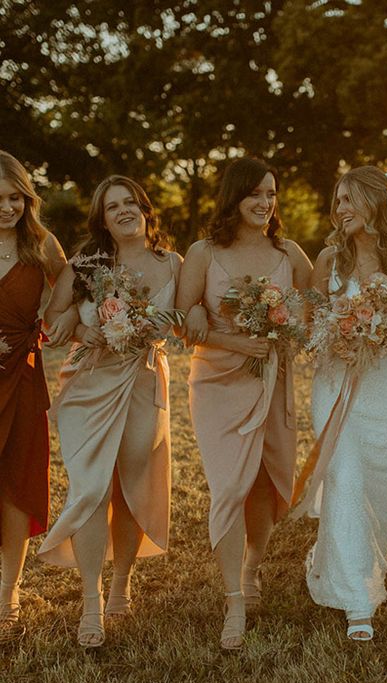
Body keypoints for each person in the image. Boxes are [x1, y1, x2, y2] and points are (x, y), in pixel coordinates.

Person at [39, 176, 181, 647]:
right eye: (111, 207)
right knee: (92, 487)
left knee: (129, 484)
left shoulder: (174, 264)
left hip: (143, 382)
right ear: (102, 219)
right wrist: (80, 330)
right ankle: (91, 602)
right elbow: (53, 316)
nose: (123, 211)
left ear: (144, 208)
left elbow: (190, 315)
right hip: (91, 385)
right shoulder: (87, 261)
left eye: (129, 202)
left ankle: (120, 584)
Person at [176, 157, 312, 650]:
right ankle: (234, 599)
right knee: (229, 486)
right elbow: (184, 320)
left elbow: (315, 309)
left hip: (272, 379)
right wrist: (231, 340)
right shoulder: (203, 252)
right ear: (234, 198)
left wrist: (289, 332)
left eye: (271, 194)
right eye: (255, 193)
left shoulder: (289, 253)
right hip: (216, 383)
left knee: (266, 480)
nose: (264, 203)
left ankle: (253, 566)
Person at [296, 165, 387, 641]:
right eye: (338, 201)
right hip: (334, 385)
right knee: (344, 477)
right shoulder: (328, 260)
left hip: (386, 390)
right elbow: (310, 329)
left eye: (350, 199)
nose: (341, 209)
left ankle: (361, 556)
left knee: (376, 486)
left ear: (376, 202)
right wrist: (338, 337)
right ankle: (358, 601)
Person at [0, 151, 74, 642]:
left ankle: (8, 592)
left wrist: (53, 326)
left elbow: (71, 293)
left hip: (22, 377)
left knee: (17, 483)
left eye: (15, 197)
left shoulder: (42, 244)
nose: (7, 208)